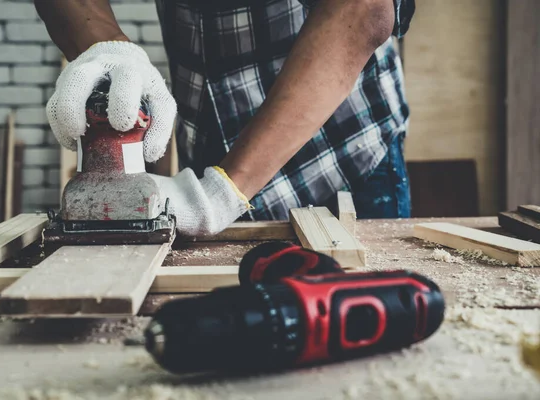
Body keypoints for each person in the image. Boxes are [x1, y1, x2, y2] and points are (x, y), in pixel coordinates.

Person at [35, 0, 415, 236]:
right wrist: (107, 47)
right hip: (204, 145)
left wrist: (223, 193)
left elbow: (362, 10)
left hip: (336, 158)